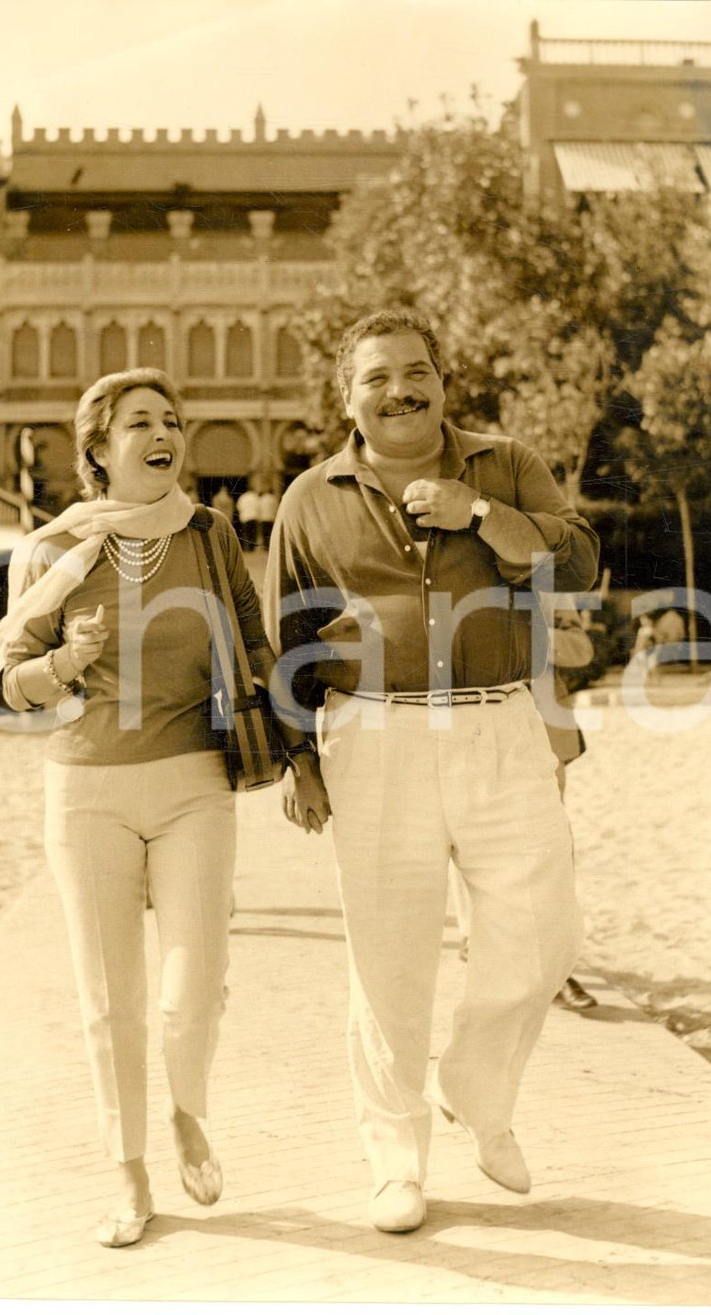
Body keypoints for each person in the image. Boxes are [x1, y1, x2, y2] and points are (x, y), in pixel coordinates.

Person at [264, 308, 599, 1233]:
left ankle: (475, 1091)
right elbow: (286, 639)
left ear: (445, 382)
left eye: (417, 372)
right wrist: (299, 760)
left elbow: (578, 562)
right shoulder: (309, 498)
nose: (400, 390)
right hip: (373, 738)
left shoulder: (507, 463)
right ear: (347, 397)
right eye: (376, 377)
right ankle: (395, 1163)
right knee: (388, 961)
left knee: (544, 934)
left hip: (502, 726)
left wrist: (481, 515)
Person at [0, 369, 273, 1248]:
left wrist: (298, 743)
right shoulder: (49, 551)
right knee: (110, 1000)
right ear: (99, 451)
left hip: (195, 786)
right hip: (87, 794)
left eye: (173, 421)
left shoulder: (210, 535)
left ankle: (187, 1111)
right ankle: (130, 1170)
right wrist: (65, 664)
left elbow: (257, 646)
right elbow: (11, 685)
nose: (165, 435)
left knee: (194, 993)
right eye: (141, 422)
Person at [450, 597, 598, 1011]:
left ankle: (556, 968)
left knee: (551, 849)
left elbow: (580, 648)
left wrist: (520, 634)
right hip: (471, 727)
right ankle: (476, 938)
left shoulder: (545, 579)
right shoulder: (449, 570)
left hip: (543, 732)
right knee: (469, 838)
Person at [236, 480, 261, 551]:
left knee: (246, 533)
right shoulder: (255, 496)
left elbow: (238, 507)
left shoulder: (242, 497)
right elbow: (259, 507)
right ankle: (252, 547)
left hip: (245, 517)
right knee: (253, 533)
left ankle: (247, 548)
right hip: (254, 516)